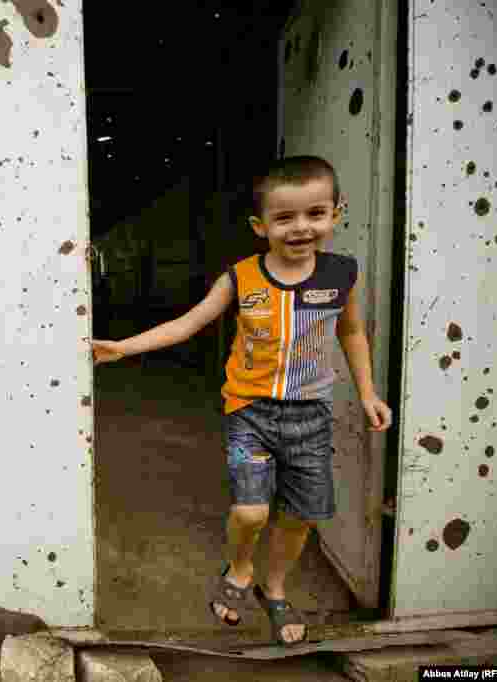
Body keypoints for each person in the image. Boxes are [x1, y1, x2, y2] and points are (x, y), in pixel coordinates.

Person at [90, 155, 392, 646]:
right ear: (261, 225)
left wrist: (367, 392)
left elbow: (352, 331)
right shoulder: (241, 277)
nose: (301, 228)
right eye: (285, 217)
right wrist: (123, 347)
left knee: (302, 516)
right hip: (250, 412)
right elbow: (188, 323)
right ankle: (240, 568)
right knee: (251, 512)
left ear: (336, 213)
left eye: (315, 213)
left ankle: (273, 589)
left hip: (311, 415)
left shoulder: (342, 274)